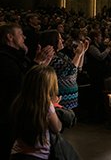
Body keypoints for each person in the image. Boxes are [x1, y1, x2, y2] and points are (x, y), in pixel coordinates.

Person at [0, 24, 54, 159]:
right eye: (20, 34)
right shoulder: (4, 59)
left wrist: (40, 65)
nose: (24, 37)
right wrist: (36, 63)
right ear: (10, 37)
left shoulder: (17, 56)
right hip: (6, 114)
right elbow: (22, 83)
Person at [9, 65, 63, 160]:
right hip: (38, 155)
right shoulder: (47, 105)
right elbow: (57, 128)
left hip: (17, 153)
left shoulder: (19, 101)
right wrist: (53, 107)